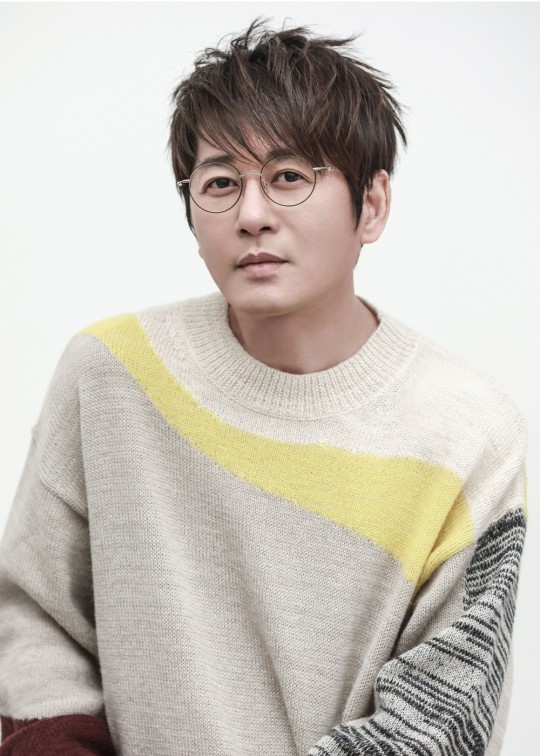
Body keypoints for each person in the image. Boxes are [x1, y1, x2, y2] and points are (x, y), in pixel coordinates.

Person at [0, 19, 528, 756]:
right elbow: (33, 621)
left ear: (372, 204)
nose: (251, 216)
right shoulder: (110, 374)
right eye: (220, 183)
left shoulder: (467, 432)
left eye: (289, 177)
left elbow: (439, 721)